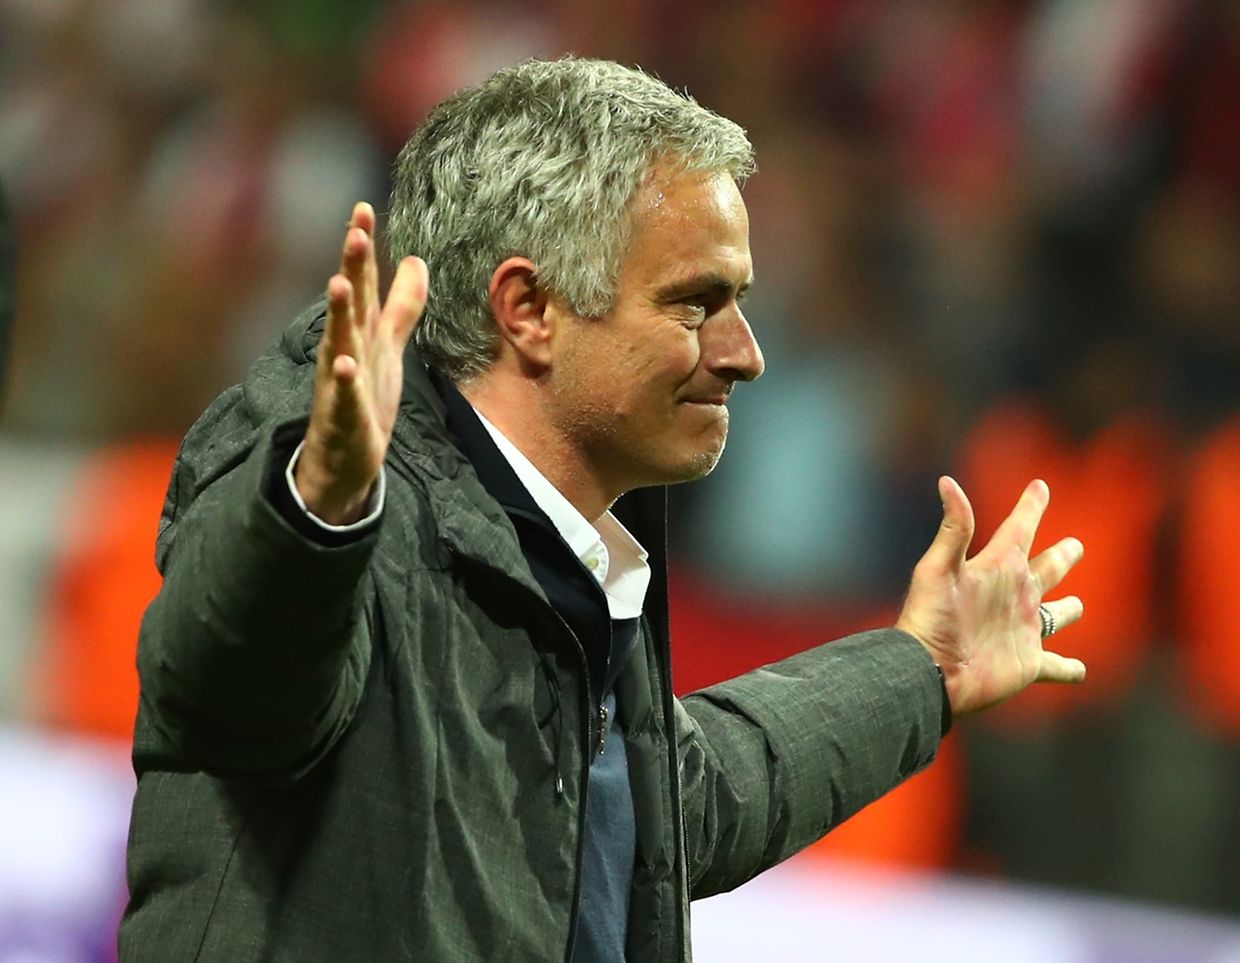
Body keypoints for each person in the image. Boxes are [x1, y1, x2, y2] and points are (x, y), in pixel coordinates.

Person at [119, 58, 1085, 961]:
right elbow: (227, 687)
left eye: (740, 300)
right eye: (696, 303)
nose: (745, 353)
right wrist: (315, 517)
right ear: (529, 309)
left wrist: (923, 667)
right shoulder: (328, 493)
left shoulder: (567, 551)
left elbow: (673, 809)